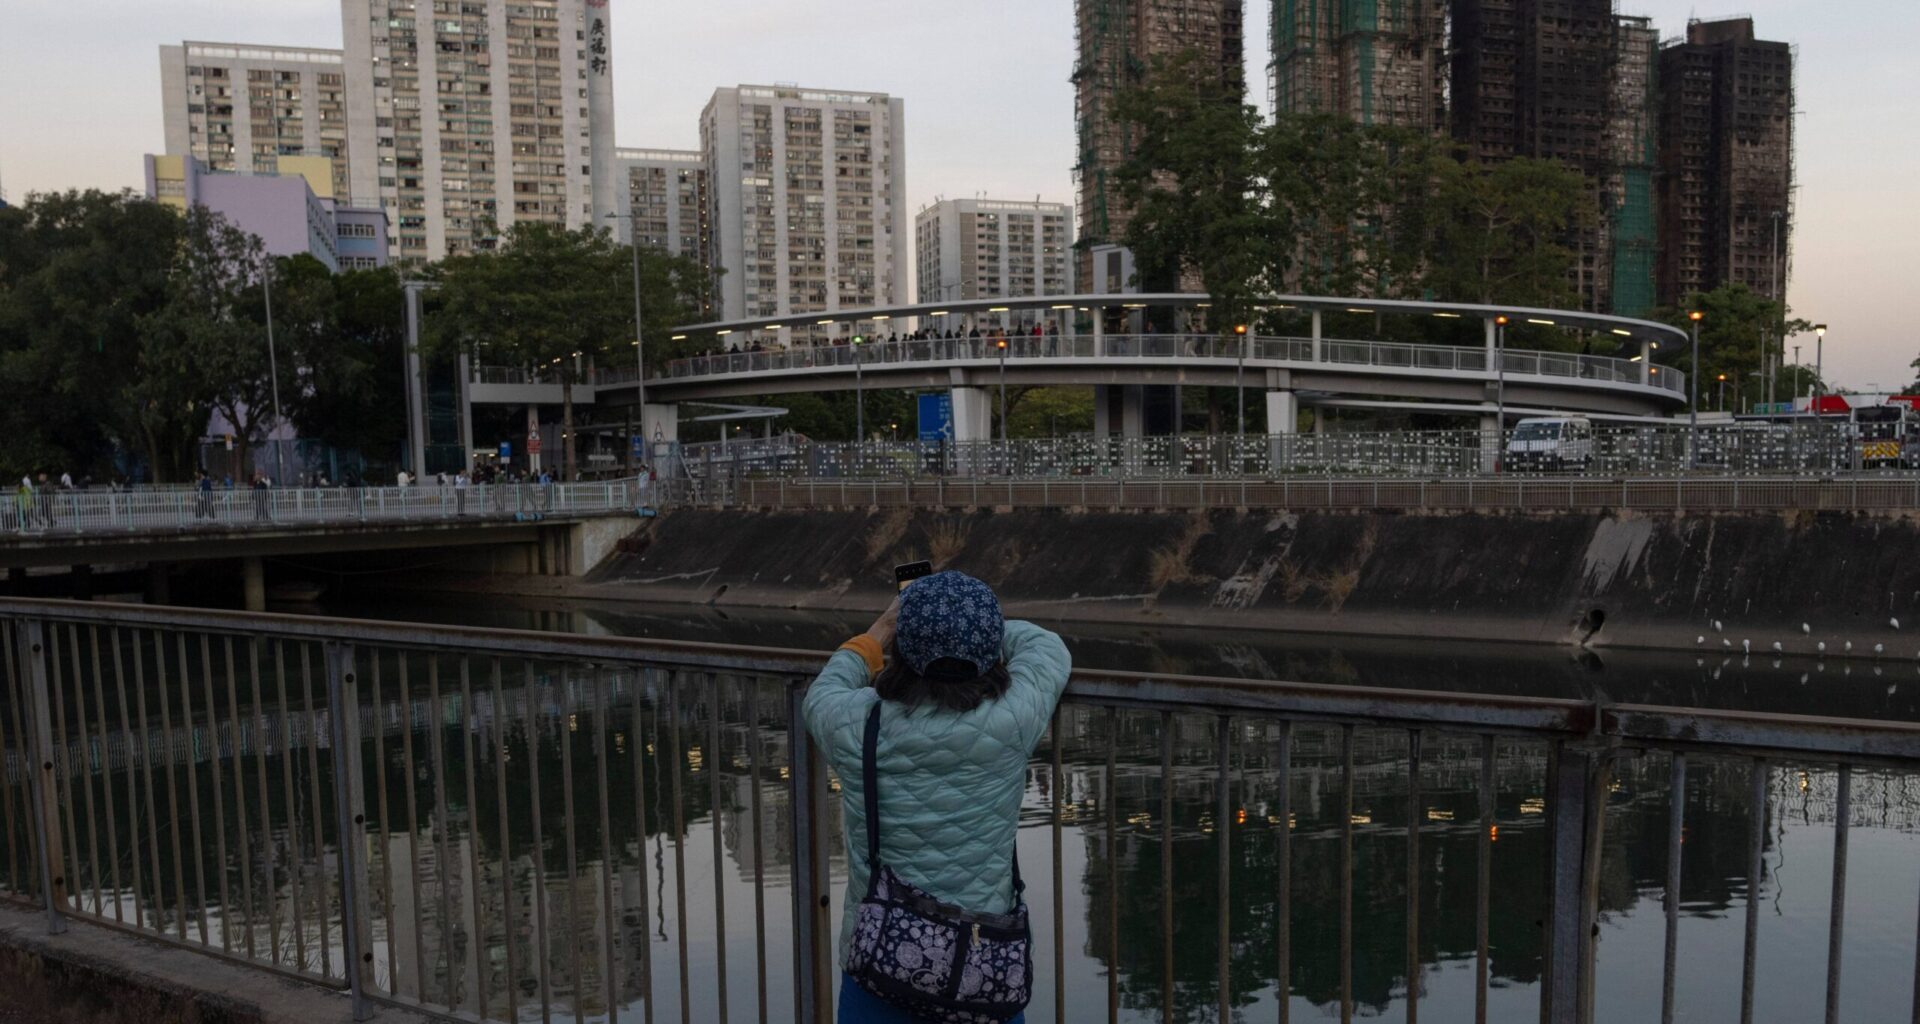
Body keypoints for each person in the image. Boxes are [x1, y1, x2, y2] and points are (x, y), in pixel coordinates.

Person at [803, 572, 1071, 1024]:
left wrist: (888, 625)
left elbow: (826, 687)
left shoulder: (857, 726)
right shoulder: (1012, 721)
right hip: (983, 969)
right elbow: (1048, 649)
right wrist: (969, 624)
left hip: (881, 966)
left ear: (904, 651)